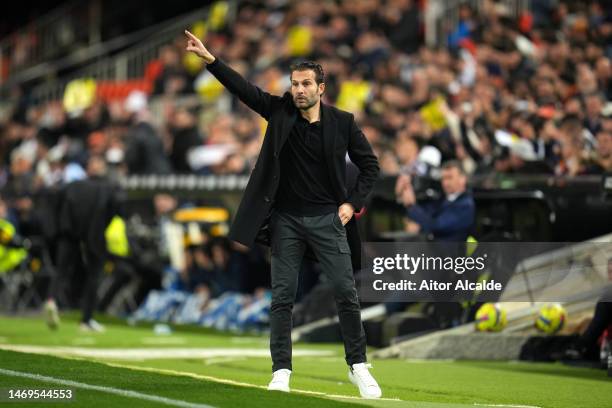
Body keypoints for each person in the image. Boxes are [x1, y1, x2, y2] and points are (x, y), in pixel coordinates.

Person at [185, 30, 382, 399]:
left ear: (322, 88)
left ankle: (358, 366)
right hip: (286, 221)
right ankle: (281, 370)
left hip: (328, 219)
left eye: (306, 83)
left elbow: (370, 166)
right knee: (282, 298)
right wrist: (212, 61)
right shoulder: (280, 112)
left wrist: (351, 203)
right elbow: (244, 90)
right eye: (295, 84)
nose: (299, 90)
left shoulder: (343, 122)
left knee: (346, 293)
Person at [44, 156, 124, 332]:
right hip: (94, 235)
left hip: (69, 233)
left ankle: (51, 299)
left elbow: (54, 205)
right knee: (94, 275)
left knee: (62, 270)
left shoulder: (72, 186)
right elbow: (116, 211)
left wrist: (58, 231)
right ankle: (86, 319)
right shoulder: (107, 188)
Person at [396, 160, 475, 242]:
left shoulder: (465, 205)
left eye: (449, 177)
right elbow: (424, 214)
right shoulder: (441, 199)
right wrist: (404, 192)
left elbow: (437, 226)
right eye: (443, 178)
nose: (446, 183)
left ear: (463, 179)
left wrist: (411, 206)